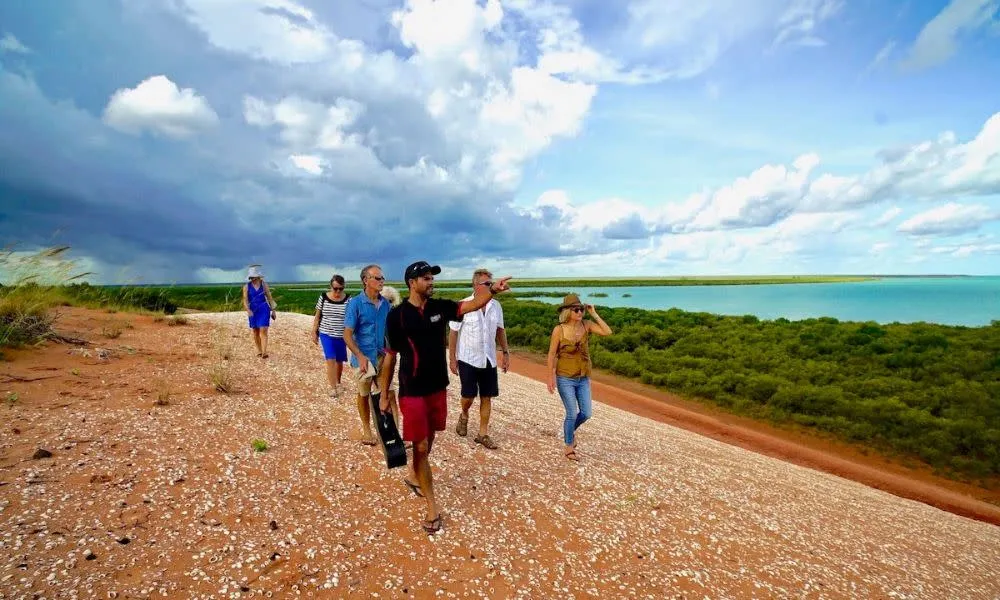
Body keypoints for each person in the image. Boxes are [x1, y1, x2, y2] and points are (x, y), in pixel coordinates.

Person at [378, 260, 511, 534]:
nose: (431, 282)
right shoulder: (397, 316)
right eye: (426, 278)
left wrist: (493, 291)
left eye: (432, 278)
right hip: (412, 390)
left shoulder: (440, 308)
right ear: (412, 283)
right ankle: (432, 508)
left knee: (432, 436)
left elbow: (470, 305)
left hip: (438, 387)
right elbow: (390, 359)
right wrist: (383, 393)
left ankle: (415, 472)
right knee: (422, 445)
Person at [546, 293, 612, 462]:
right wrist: (550, 377)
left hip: (583, 377)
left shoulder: (587, 325)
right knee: (571, 413)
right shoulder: (558, 330)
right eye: (577, 309)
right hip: (565, 377)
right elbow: (552, 354)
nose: (580, 312)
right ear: (568, 311)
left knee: (586, 413)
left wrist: (594, 313)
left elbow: (607, 332)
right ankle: (569, 446)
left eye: (581, 309)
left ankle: (569, 431)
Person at [448, 268, 509, 450]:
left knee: (487, 396)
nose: (491, 286)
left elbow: (500, 330)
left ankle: (482, 434)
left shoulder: (496, 306)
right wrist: (452, 358)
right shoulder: (464, 304)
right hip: (468, 358)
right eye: (487, 284)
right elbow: (453, 332)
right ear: (476, 284)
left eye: (492, 283)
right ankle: (464, 414)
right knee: (468, 396)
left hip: (488, 358)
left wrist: (505, 353)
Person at [343, 264, 396, 446]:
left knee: (387, 393)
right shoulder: (355, 304)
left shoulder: (386, 305)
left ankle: (392, 434)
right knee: (364, 394)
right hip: (363, 357)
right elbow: (347, 334)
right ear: (366, 280)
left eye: (382, 278)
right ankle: (367, 430)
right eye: (377, 278)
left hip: (382, 356)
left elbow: (390, 332)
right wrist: (359, 355)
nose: (382, 281)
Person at [312, 274, 350, 398]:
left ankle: (338, 381)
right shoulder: (323, 297)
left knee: (339, 361)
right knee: (330, 359)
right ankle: (332, 387)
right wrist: (314, 331)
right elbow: (317, 316)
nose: (338, 291)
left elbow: (351, 319)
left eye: (340, 288)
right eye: (335, 288)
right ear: (331, 286)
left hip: (341, 335)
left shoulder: (349, 300)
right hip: (326, 333)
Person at [242, 265, 277, 358]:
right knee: (255, 330)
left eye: (254, 277)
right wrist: (248, 310)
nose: (252, 278)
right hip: (253, 309)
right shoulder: (246, 287)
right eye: (251, 277)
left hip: (264, 308)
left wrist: (273, 311)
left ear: (258, 276)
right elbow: (245, 300)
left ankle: (264, 352)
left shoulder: (264, 285)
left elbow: (270, 298)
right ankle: (259, 350)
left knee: (263, 329)